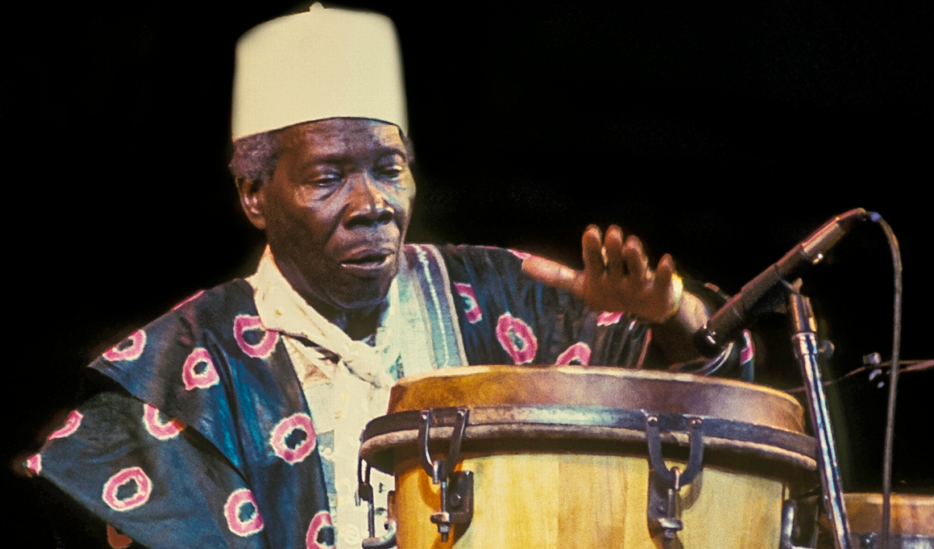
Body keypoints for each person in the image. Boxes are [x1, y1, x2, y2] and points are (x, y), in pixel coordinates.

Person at [27, 5, 731, 548]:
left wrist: (668, 313)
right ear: (254, 195)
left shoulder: (501, 297)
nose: (373, 206)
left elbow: (713, 402)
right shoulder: (188, 364)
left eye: (389, 169)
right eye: (328, 177)